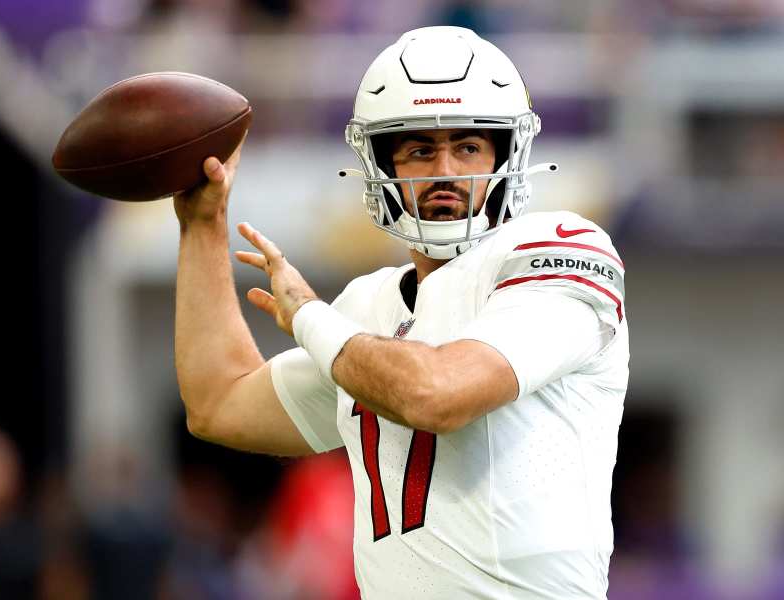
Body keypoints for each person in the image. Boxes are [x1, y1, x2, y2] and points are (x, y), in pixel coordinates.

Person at [173, 26, 629, 599]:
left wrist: (311, 317)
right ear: (380, 165)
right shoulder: (368, 305)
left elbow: (438, 394)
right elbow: (219, 404)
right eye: (419, 149)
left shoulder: (561, 250)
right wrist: (201, 225)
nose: (446, 171)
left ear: (506, 156)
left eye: (468, 147)